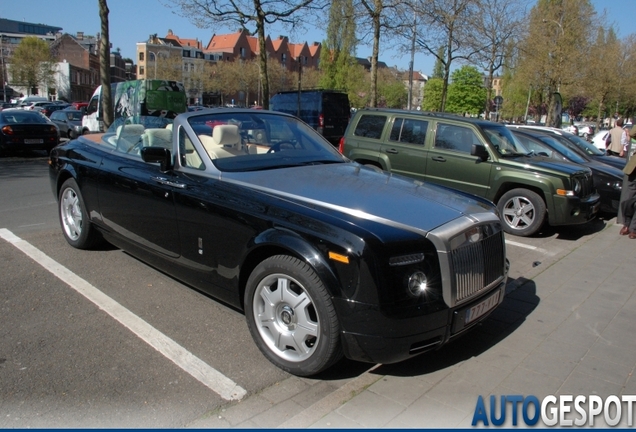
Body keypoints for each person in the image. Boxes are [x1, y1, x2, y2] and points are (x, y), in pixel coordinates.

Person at [618, 125, 636, 236]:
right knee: (627, 199)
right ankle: (627, 224)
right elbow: (633, 133)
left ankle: (633, 228)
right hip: (634, 169)